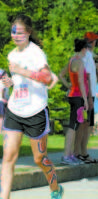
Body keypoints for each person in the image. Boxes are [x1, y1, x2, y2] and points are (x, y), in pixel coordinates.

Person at [1, 15, 64, 199]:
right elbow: (19, 81)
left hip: (35, 111)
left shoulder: (36, 53)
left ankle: (55, 189)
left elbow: (47, 78)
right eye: (13, 32)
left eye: (20, 32)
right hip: (14, 110)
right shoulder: (12, 54)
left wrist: (21, 70)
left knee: (40, 159)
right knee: (8, 158)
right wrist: (9, 81)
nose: (16, 35)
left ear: (28, 33)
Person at [59, 39, 89, 165]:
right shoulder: (80, 62)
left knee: (74, 126)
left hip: (72, 96)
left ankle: (69, 154)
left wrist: (69, 85)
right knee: (73, 127)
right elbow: (82, 82)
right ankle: (67, 155)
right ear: (84, 49)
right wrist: (86, 100)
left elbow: (61, 75)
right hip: (78, 97)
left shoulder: (71, 60)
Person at [74, 32, 98, 164]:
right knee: (85, 125)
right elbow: (87, 78)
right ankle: (81, 153)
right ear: (93, 42)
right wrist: (89, 98)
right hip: (88, 94)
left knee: (85, 125)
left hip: (88, 94)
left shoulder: (87, 56)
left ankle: (80, 152)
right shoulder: (88, 56)